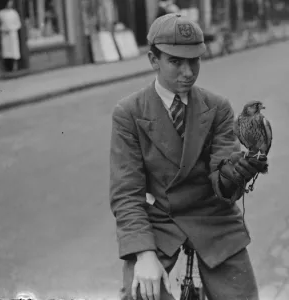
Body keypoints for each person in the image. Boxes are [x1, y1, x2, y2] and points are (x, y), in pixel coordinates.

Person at [109, 13, 268, 300]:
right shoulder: (129, 113)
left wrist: (235, 173)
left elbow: (223, 179)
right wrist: (143, 254)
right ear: (153, 60)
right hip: (160, 222)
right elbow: (126, 194)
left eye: (194, 60)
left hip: (214, 218)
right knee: (142, 294)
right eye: (175, 61)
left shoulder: (217, 107)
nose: (187, 72)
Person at [0, 0, 21, 72]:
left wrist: (12, 29)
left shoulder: (14, 13)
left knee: (14, 51)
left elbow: (18, 24)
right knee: (6, 52)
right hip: (5, 35)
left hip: (13, 34)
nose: (10, 4)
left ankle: (15, 66)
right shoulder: (1, 13)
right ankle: (7, 67)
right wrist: (4, 29)